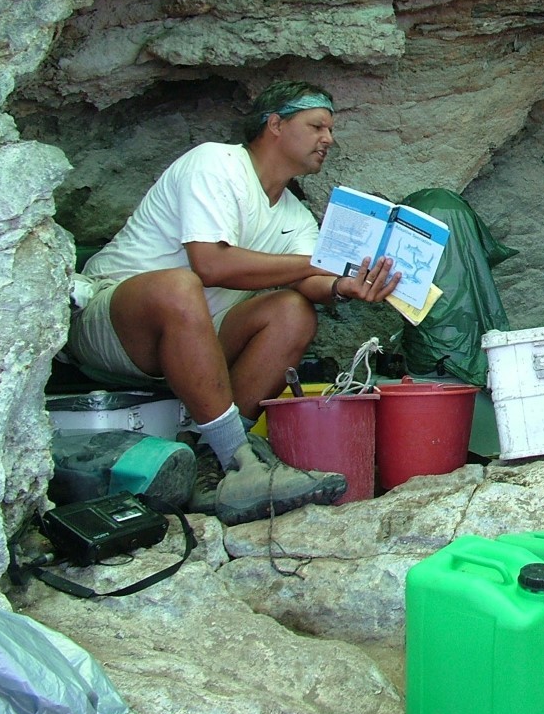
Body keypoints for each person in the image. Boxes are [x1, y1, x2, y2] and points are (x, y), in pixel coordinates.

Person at [67, 81, 401, 525]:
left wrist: (345, 286)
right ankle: (239, 459)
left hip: (197, 334)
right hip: (112, 321)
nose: (328, 139)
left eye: (331, 130)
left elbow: (310, 280)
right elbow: (210, 265)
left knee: (291, 310)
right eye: (317, 125)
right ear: (275, 124)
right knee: (180, 286)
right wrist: (316, 264)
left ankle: (210, 465)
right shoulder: (215, 163)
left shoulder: (295, 217)